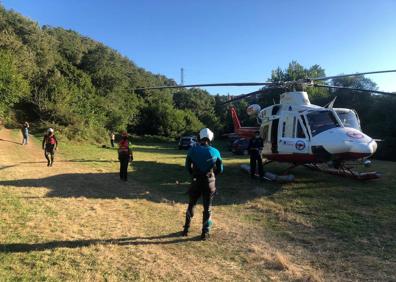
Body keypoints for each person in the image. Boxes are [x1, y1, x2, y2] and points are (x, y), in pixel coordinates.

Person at [182, 128, 223, 240]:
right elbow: (220, 169)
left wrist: (193, 175)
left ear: (200, 137)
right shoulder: (215, 151)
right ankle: (205, 233)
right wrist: (213, 175)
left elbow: (187, 167)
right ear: (210, 138)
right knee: (207, 208)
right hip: (209, 182)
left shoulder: (192, 150)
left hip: (196, 181)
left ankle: (186, 229)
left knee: (191, 205)